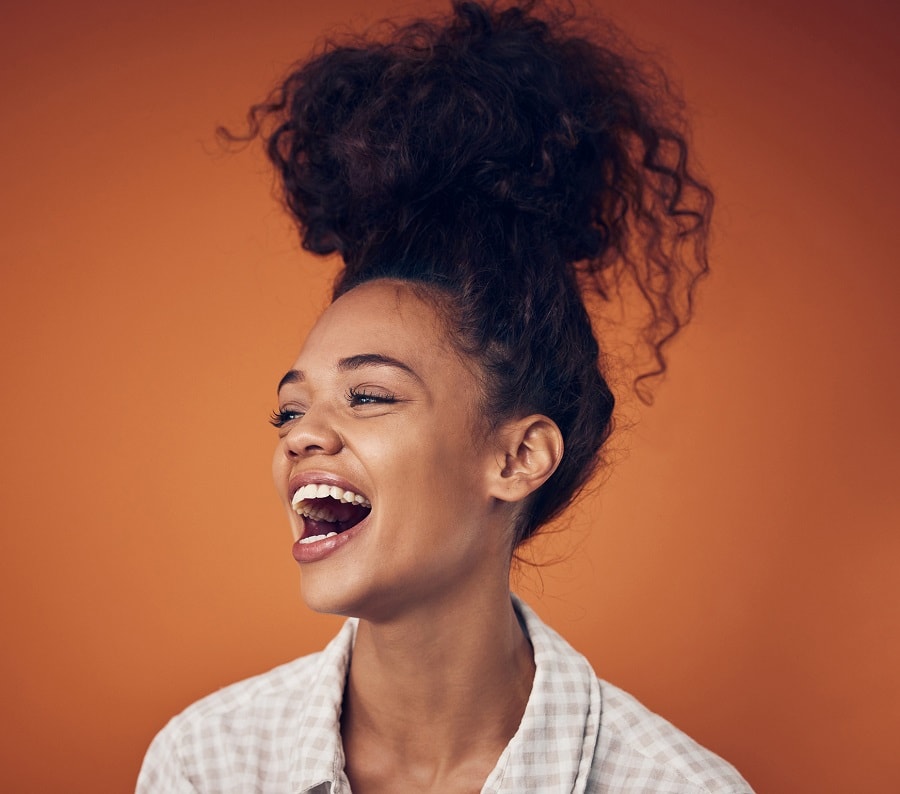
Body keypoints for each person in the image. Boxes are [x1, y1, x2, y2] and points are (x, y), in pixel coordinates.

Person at [137, 1, 754, 791]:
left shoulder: (674, 786)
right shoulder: (206, 762)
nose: (301, 436)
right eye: (291, 409)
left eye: (367, 396)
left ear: (519, 455)